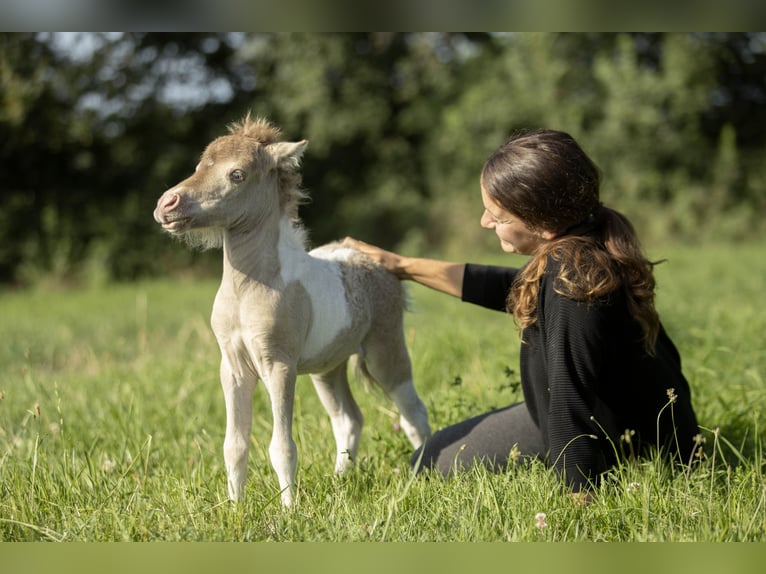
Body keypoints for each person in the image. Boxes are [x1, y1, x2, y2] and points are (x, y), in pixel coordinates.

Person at [343, 129, 699, 503]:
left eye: (497, 216)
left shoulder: (570, 283)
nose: (484, 222)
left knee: (426, 465)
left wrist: (580, 503)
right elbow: (508, 286)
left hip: (618, 434)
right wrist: (401, 265)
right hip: (621, 415)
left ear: (541, 224)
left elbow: (568, 400)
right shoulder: (583, 244)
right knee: (430, 457)